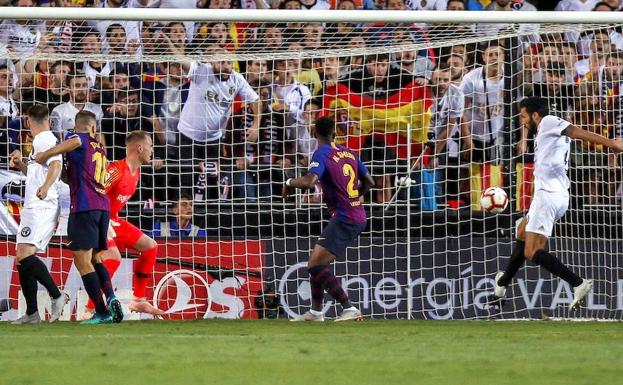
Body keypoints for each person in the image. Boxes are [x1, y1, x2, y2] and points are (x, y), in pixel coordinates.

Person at [493, 97, 623, 311]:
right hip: (551, 194)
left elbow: (577, 132)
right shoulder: (544, 130)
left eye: (524, 117)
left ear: (536, 115)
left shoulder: (550, 121)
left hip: (549, 195)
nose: (522, 122)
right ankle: (502, 284)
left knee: (531, 251)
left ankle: (578, 283)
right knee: (522, 232)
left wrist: (612, 145)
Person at [283, 117, 375, 322]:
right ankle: (316, 313)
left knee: (315, 266)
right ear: (335, 133)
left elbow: (310, 181)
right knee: (317, 263)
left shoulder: (322, 153)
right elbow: (370, 182)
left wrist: (288, 182)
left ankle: (349, 307)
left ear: (315, 134)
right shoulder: (350, 153)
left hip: (345, 217)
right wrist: (355, 197)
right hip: (355, 214)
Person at [35, 110, 123, 325]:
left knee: (82, 262)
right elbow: (71, 177)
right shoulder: (100, 149)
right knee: (95, 259)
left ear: (80, 127)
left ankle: (102, 312)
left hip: (84, 208)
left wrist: (44, 155)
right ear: (94, 127)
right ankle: (110, 296)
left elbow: (71, 143)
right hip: (102, 208)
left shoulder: (78, 138)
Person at [81, 131, 163, 320]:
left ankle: (138, 299)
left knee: (150, 247)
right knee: (113, 258)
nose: (152, 150)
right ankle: (89, 310)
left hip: (114, 220)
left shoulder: (136, 172)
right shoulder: (116, 170)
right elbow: (95, 191)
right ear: (140, 148)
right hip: (99, 219)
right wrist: (100, 222)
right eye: (151, 146)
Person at [9, 105, 68, 324]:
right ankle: (32, 313)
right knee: (22, 258)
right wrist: (21, 165)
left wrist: (45, 187)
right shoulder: (44, 140)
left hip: (42, 206)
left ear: (27, 121)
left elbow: (55, 166)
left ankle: (56, 295)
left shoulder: (43, 138)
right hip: (37, 204)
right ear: (50, 121)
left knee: (25, 255)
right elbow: (38, 171)